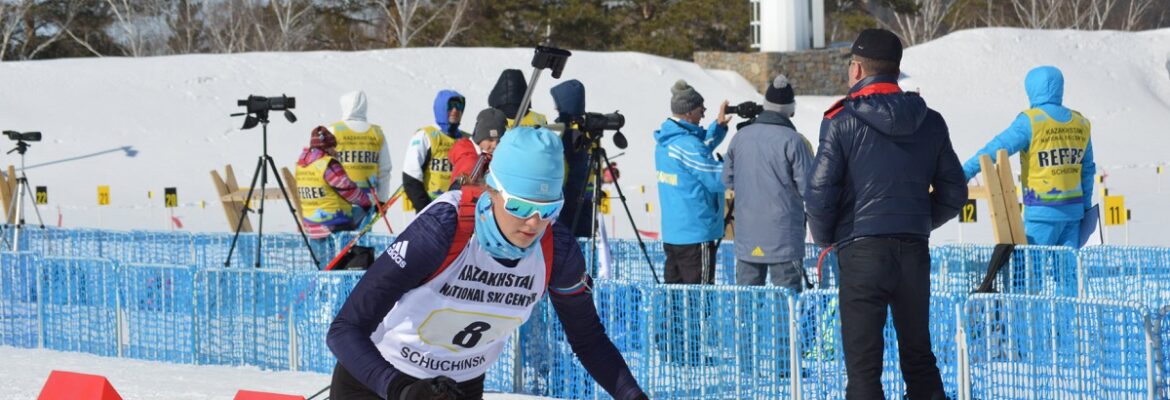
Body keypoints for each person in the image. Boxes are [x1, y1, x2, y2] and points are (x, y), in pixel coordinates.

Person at [327, 127, 647, 400]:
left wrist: (634, 396)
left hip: (457, 389)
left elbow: (588, 338)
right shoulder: (444, 228)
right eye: (520, 206)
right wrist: (403, 390)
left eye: (549, 209)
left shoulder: (557, 249)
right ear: (492, 191)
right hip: (378, 381)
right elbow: (344, 330)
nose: (534, 223)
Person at [804, 28, 966, 400]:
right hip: (912, 250)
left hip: (860, 251)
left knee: (863, 369)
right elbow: (955, 192)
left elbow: (819, 193)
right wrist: (919, 222)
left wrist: (830, 237)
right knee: (919, 358)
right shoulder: (930, 119)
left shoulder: (841, 119)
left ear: (858, 70)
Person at [961, 65, 1095, 247]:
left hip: (1042, 213)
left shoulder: (1030, 121)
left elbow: (996, 148)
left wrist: (965, 172)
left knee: (1031, 271)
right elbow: (1087, 171)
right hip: (1073, 213)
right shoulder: (1080, 123)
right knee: (1067, 273)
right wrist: (1086, 207)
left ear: (1031, 89)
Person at [722, 74, 812, 290]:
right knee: (786, 301)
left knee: (747, 300)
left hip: (747, 234)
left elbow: (726, 178)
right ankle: (785, 326)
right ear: (790, 109)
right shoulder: (793, 140)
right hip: (784, 236)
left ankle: (746, 326)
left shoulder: (740, 137)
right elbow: (809, 187)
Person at [653, 79, 730, 285]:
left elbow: (698, 149)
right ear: (688, 112)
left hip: (674, 233)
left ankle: (672, 320)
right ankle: (700, 320)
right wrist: (743, 167)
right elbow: (715, 178)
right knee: (700, 299)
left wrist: (718, 127)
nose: (704, 111)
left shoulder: (667, 141)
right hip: (695, 234)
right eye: (700, 108)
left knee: (676, 298)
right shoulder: (688, 146)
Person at [294, 126, 373, 269]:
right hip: (334, 224)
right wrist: (367, 202)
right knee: (337, 267)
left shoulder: (302, 165)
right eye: (333, 147)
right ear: (327, 147)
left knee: (323, 268)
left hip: (312, 226)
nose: (335, 151)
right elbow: (347, 189)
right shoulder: (327, 164)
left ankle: (324, 288)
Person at [328, 91, 393, 215]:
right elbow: (384, 170)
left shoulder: (333, 130)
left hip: (338, 201)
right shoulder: (376, 132)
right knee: (363, 235)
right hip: (368, 201)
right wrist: (382, 200)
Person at [402, 90, 468, 211]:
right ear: (441, 108)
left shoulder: (467, 139)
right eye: (450, 106)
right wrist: (425, 209)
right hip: (430, 207)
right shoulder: (425, 135)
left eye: (458, 106)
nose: (455, 110)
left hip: (458, 209)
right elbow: (411, 176)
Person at [448, 108, 507, 190]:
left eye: (499, 140)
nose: (495, 145)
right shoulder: (468, 157)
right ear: (479, 138)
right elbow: (462, 186)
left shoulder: (490, 155)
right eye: (490, 140)